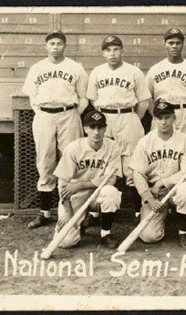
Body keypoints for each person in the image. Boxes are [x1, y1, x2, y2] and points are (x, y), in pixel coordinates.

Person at [22, 30, 89, 229]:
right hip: (44, 115)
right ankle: (44, 213)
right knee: (45, 161)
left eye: (59, 43)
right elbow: (32, 98)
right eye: (52, 43)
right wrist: (42, 113)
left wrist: (74, 114)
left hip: (68, 113)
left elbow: (84, 97)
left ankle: (76, 213)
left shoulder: (75, 67)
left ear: (64, 46)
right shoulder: (37, 68)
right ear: (46, 46)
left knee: (73, 161)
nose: (55, 47)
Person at [86, 35, 151, 224]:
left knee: (132, 167)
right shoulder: (97, 72)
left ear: (122, 51)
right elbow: (92, 99)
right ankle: (96, 212)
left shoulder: (134, 72)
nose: (112, 53)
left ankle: (139, 212)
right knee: (102, 163)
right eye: (108, 50)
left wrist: (130, 118)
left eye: (116, 49)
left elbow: (144, 102)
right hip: (105, 117)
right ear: (103, 53)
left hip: (128, 115)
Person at [129, 102, 186, 249]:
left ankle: (183, 232)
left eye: (167, 117)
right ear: (154, 120)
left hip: (175, 190)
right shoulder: (145, 142)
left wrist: (163, 182)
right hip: (155, 194)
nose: (163, 122)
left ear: (174, 118)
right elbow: (138, 174)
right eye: (159, 118)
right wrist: (148, 198)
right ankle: (165, 217)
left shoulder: (185, 140)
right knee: (149, 236)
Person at [53, 110, 123, 249]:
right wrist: (68, 213)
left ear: (105, 129)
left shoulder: (113, 147)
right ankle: (78, 224)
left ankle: (105, 234)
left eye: (100, 127)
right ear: (85, 129)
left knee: (111, 193)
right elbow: (62, 184)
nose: (96, 132)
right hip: (75, 196)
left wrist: (80, 184)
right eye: (92, 127)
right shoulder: (73, 148)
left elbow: (111, 180)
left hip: (98, 194)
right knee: (66, 242)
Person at [147, 28, 186, 153]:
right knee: (162, 150)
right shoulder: (155, 69)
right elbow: (148, 97)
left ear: (182, 44)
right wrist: (157, 114)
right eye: (171, 43)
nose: (174, 46)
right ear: (165, 44)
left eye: (178, 43)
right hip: (164, 113)